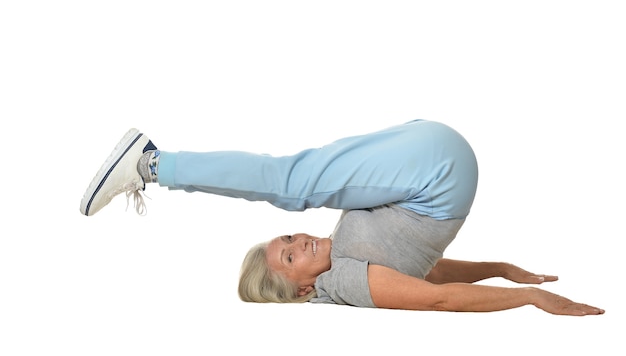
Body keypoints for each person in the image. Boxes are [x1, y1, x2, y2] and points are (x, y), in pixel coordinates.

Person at [80, 119, 604, 316]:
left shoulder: (344, 249)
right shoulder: (346, 281)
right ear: (304, 290)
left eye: (287, 238)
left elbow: (429, 271)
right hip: (436, 178)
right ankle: (153, 164)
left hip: (429, 157)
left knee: (299, 179)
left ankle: (154, 164)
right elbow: (437, 297)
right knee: (290, 182)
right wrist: (528, 298)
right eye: (289, 255)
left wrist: (500, 267)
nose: (299, 240)